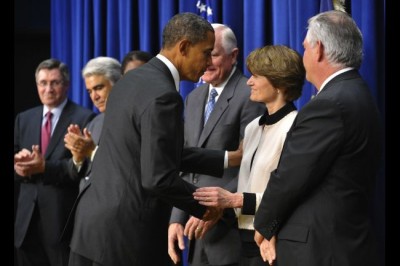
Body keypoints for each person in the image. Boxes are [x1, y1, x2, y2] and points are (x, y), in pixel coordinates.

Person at [68, 13, 225, 266]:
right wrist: (206, 207)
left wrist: (227, 159)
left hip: (90, 228)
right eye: (206, 53)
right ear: (183, 47)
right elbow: (157, 178)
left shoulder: (130, 80)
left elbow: (152, 152)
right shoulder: (164, 95)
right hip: (125, 238)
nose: (208, 62)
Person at [253, 10, 381, 265]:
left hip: (319, 249)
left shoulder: (329, 104)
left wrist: (264, 225)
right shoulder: (360, 93)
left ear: (318, 49)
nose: (303, 57)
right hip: (345, 242)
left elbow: (291, 178)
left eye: (304, 49)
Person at [193, 45, 305, 266]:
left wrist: (233, 199)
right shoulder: (254, 127)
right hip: (242, 241)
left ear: (279, 82)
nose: (248, 82)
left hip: (273, 242)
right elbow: (247, 180)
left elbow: (290, 194)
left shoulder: (296, 126)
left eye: (256, 76)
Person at [168, 23, 265, 266]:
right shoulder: (193, 97)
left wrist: (220, 208)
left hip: (230, 232)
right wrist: (176, 217)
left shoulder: (250, 95)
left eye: (214, 54)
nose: (207, 61)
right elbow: (185, 162)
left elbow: (252, 163)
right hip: (196, 232)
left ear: (234, 56)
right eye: (204, 53)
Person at [14, 58, 96, 266]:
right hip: (26, 222)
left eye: (55, 82)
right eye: (43, 83)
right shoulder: (24, 119)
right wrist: (20, 167)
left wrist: (44, 167)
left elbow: (82, 169)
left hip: (61, 221)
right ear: (37, 85)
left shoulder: (85, 118)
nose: (48, 89)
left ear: (66, 85)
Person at [64, 56, 122, 191]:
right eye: (89, 91)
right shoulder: (94, 122)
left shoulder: (134, 121)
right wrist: (78, 157)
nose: (94, 97)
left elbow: (124, 169)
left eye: (99, 88)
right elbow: (76, 174)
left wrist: (91, 151)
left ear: (118, 83)